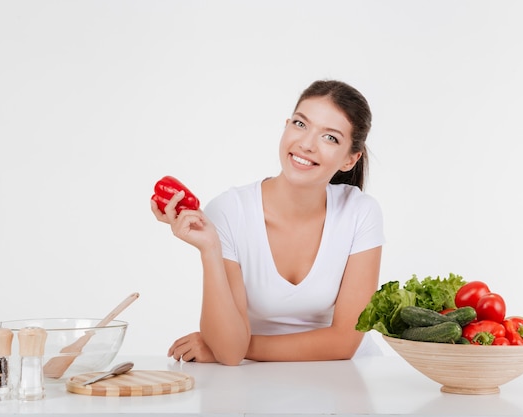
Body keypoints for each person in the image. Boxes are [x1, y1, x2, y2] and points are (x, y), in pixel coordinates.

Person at [151, 80, 385, 365]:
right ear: (286, 125)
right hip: (257, 380)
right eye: (300, 124)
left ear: (351, 159)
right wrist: (209, 249)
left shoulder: (360, 212)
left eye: (330, 138)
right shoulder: (228, 211)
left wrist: (237, 346)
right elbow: (229, 354)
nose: (306, 144)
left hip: (347, 378)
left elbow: (344, 343)